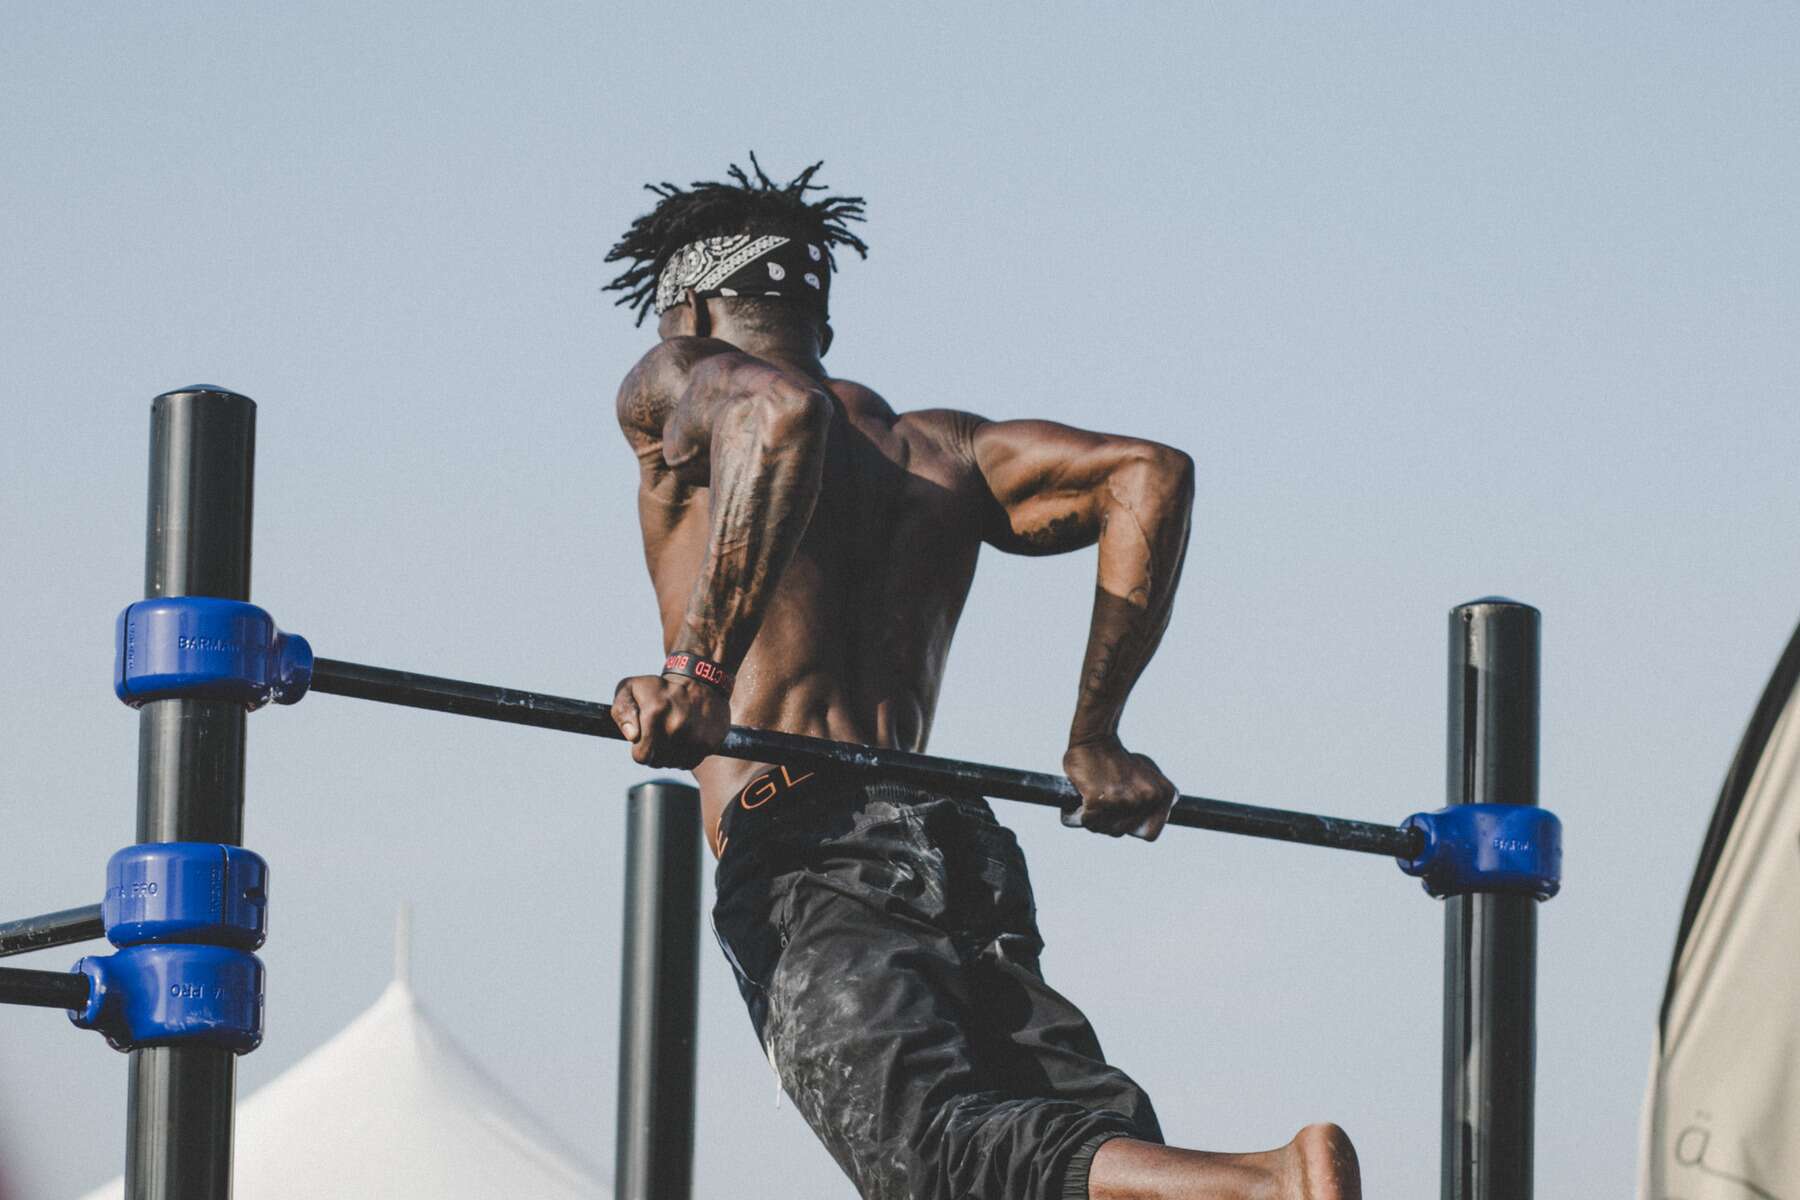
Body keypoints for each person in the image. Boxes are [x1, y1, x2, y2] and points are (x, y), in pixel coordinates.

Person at [603, 157, 1361, 1200]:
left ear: (685, 310)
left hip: (807, 844)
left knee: (931, 1157)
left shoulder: (678, 380)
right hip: (953, 838)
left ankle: (1273, 1180)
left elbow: (777, 419)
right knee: (1062, 1150)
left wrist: (697, 670)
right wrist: (1097, 731)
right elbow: (1145, 473)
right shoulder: (938, 451)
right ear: (818, 313)